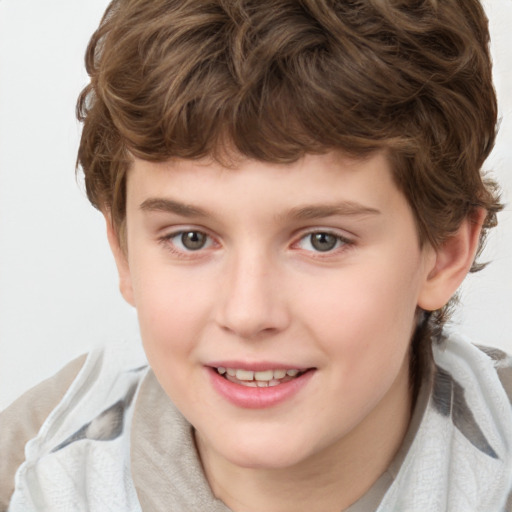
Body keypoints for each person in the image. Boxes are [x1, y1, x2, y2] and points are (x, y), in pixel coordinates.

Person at [1, 0, 511, 510]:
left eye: (322, 240)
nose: (247, 314)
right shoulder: (34, 465)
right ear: (125, 253)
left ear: (445, 252)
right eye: (191, 238)